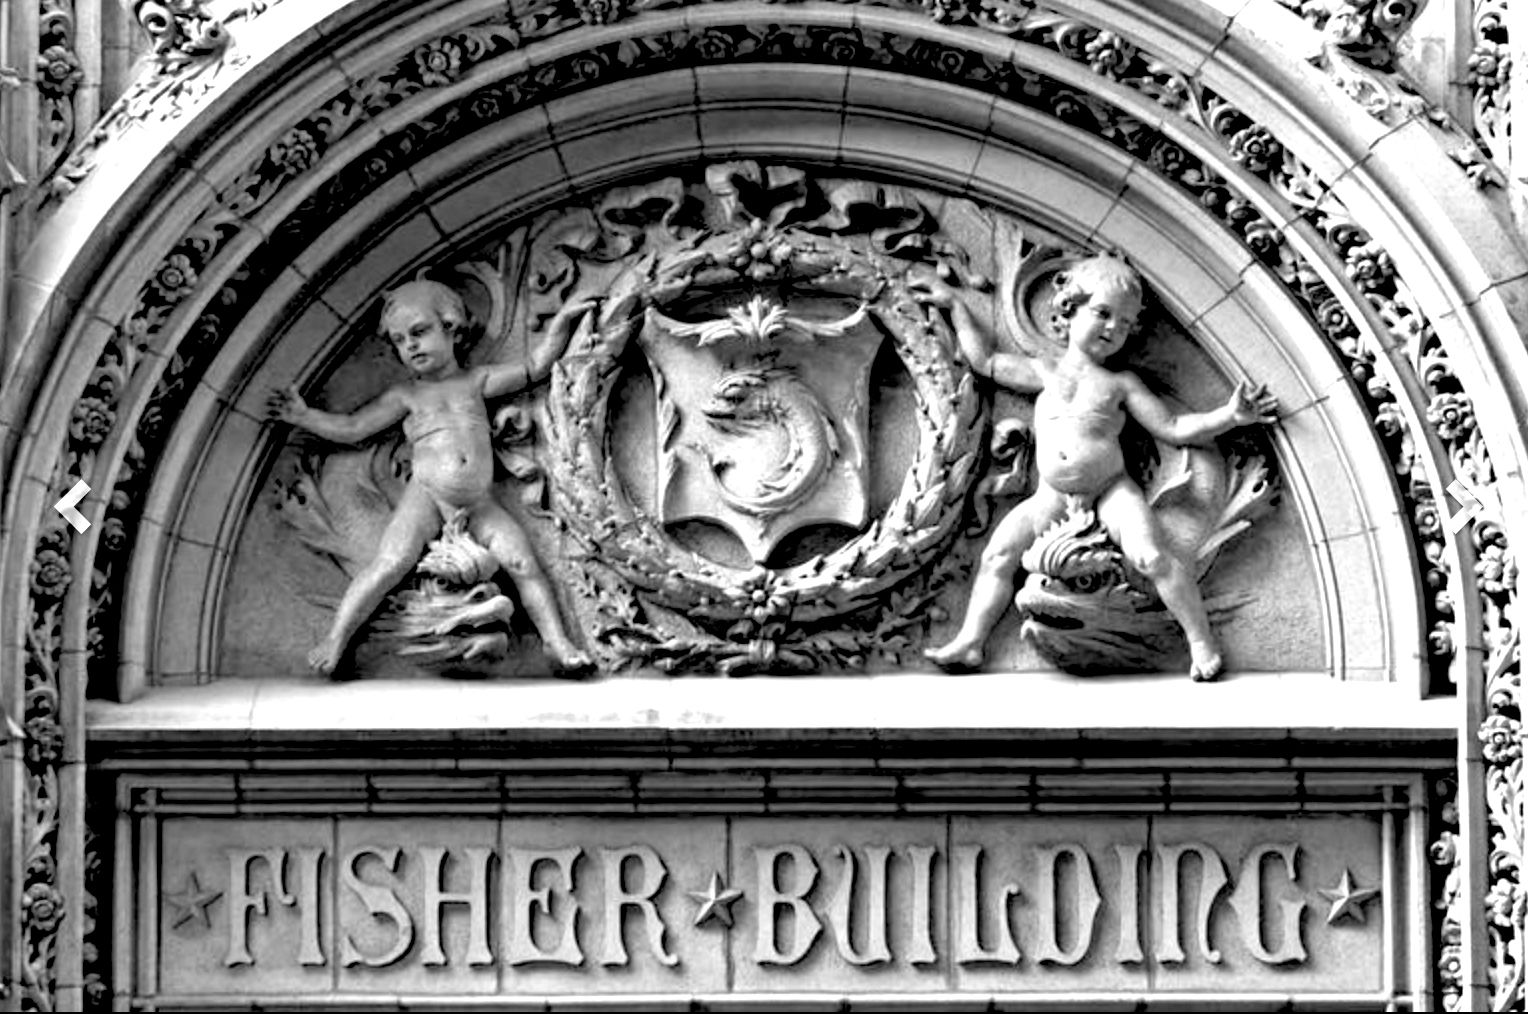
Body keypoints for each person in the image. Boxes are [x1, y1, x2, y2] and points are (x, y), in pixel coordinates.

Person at [921, 253, 1278, 681]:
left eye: (1125, 323)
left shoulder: (1120, 385)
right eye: (1103, 313)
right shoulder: (1043, 371)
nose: (1113, 328)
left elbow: (1176, 427)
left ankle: (1200, 641)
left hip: (1111, 490)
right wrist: (957, 307)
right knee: (999, 553)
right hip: (1051, 497)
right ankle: (972, 641)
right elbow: (987, 362)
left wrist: (1230, 416)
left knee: (1152, 557)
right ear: (1068, 309)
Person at [269, 279, 594, 677]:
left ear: (452, 328)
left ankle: (556, 642)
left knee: (523, 563)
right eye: (400, 340)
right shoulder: (406, 395)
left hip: (478, 503)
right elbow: (354, 427)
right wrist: (305, 417)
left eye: (420, 332)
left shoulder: (475, 382)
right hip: (425, 497)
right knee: (389, 564)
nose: (411, 346)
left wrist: (565, 320)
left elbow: (535, 367)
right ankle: (336, 639)